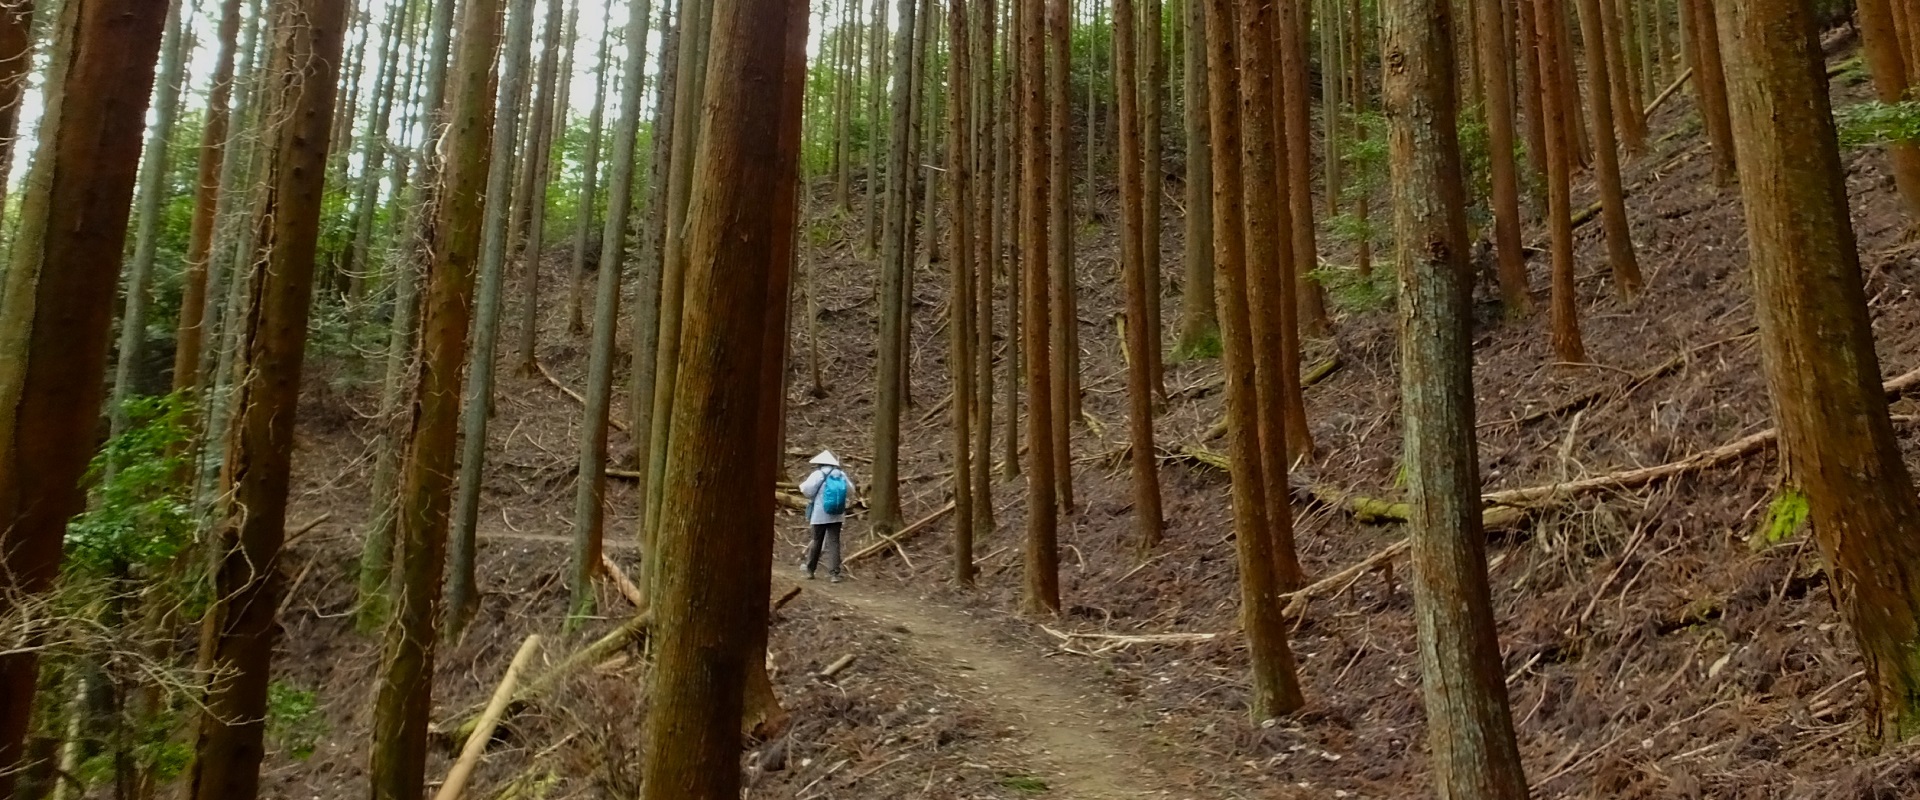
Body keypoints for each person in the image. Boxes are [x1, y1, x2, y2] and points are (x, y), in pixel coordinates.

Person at [799, 450, 855, 582]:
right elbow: (851, 491)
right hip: (837, 514)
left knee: (817, 540)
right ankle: (834, 573)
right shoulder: (841, 474)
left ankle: (810, 570)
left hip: (819, 513)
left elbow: (806, 490)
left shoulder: (818, 474)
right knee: (834, 542)